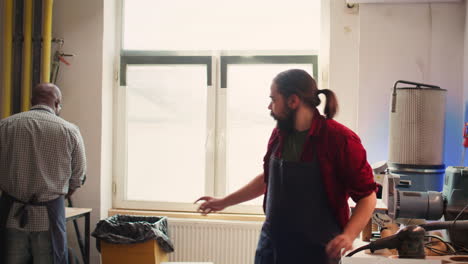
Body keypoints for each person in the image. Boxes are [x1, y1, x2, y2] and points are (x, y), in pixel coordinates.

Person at [195, 69, 377, 264]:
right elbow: (268, 179)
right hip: (271, 247)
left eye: (274, 99)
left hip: (315, 252)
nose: (269, 106)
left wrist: (349, 235)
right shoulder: (280, 135)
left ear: (293, 101)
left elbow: (367, 196)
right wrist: (224, 202)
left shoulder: (340, 139)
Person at [0, 83, 87, 264]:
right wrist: (58, 196)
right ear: (57, 103)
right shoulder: (69, 130)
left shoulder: (5, 126)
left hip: (11, 215)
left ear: (32, 100)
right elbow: (78, 176)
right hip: (49, 217)